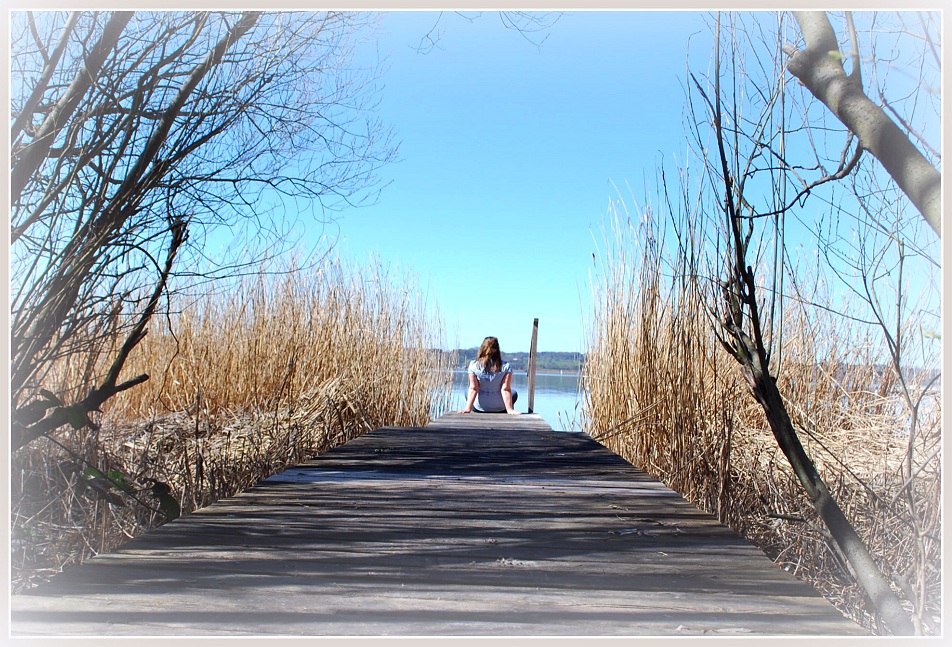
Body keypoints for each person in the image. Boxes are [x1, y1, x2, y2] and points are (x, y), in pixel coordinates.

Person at [459, 336, 521, 415]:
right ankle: (507, 409)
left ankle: (470, 407)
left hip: (479, 408)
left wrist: (467, 408)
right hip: (500, 408)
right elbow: (505, 389)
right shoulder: (506, 366)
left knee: (466, 391)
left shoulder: (473, 365)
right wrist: (510, 410)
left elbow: (474, 388)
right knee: (514, 393)